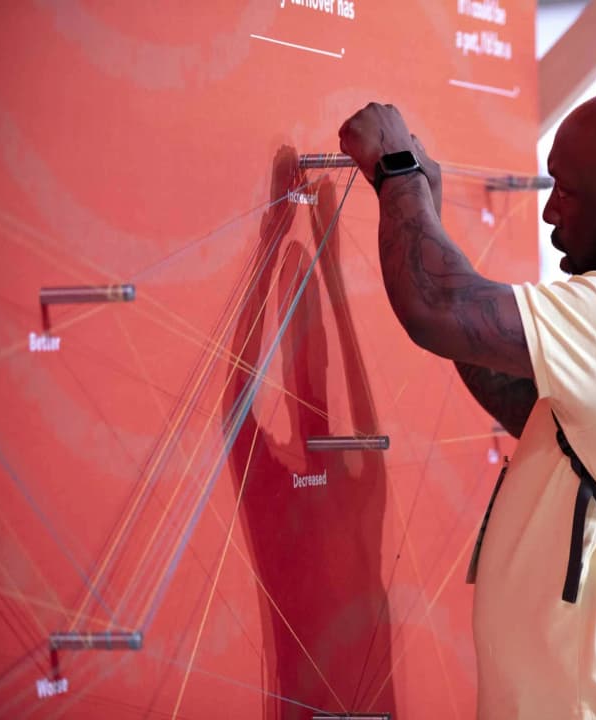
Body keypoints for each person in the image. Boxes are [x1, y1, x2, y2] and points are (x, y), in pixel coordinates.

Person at [338, 87, 596, 718]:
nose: (551, 212)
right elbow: (533, 408)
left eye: (568, 191)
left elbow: (438, 310)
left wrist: (398, 171)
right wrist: (425, 218)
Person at [224, 147, 393, 717]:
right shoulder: (348, 481)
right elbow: (235, 406)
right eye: (303, 328)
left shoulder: (341, 481)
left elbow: (235, 405)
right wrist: (323, 262)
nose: (308, 347)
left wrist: (288, 242)